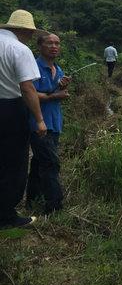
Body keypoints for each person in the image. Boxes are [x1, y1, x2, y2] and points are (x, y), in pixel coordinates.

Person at [0, 10, 47, 229]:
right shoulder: (19, 49)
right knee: (14, 162)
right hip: (10, 109)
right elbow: (27, 88)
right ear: (23, 30)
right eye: (30, 32)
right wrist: (39, 119)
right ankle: (7, 216)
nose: (30, 36)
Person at [26, 33, 71, 215]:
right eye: (49, 43)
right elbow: (28, 93)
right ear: (40, 46)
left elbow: (53, 94)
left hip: (54, 123)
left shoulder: (57, 69)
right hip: (39, 124)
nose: (54, 46)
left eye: (57, 43)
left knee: (39, 163)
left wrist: (61, 87)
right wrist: (54, 95)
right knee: (51, 163)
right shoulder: (33, 67)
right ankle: (54, 207)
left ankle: (32, 200)